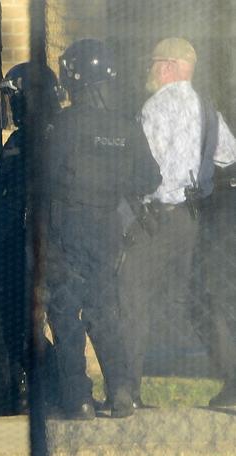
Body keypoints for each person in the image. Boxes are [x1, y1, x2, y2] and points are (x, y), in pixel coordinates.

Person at [43, 39, 161, 420]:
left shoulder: (64, 123)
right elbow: (149, 177)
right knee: (104, 310)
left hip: (68, 226)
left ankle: (78, 398)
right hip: (109, 228)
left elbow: (43, 177)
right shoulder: (127, 126)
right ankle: (122, 389)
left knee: (65, 310)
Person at [123, 38, 236, 406]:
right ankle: (232, 380)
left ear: (169, 66)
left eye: (154, 63)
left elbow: (143, 165)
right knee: (201, 300)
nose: (150, 70)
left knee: (131, 298)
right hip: (193, 220)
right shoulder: (207, 108)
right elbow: (227, 155)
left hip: (156, 217)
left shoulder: (154, 107)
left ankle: (127, 389)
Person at [0, 62, 63, 414]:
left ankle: (63, 388)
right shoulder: (18, 140)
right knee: (20, 319)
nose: (12, 106)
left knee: (56, 318)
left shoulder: (57, 135)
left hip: (50, 244)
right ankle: (27, 389)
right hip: (15, 244)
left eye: (15, 97)